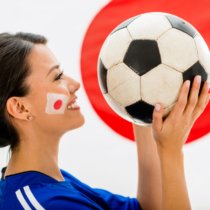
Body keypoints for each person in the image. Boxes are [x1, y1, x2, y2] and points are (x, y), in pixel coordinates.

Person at [0, 32, 209, 210]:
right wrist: (171, 152)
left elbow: (146, 207)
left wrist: (142, 98)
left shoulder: (52, 181)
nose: (75, 84)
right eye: (57, 77)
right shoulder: (46, 203)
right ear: (20, 108)